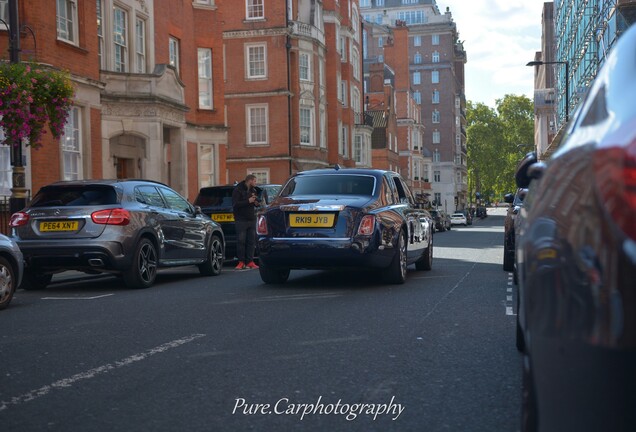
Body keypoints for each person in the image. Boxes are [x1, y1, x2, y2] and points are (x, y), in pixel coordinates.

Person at [232, 174, 260, 270]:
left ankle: (250, 261)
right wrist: (248, 201)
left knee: (251, 242)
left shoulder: (253, 190)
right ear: (250, 180)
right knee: (241, 241)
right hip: (241, 220)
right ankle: (241, 262)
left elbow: (255, 202)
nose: (256, 183)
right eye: (255, 181)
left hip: (251, 219)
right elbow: (235, 204)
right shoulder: (238, 190)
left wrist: (256, 203)